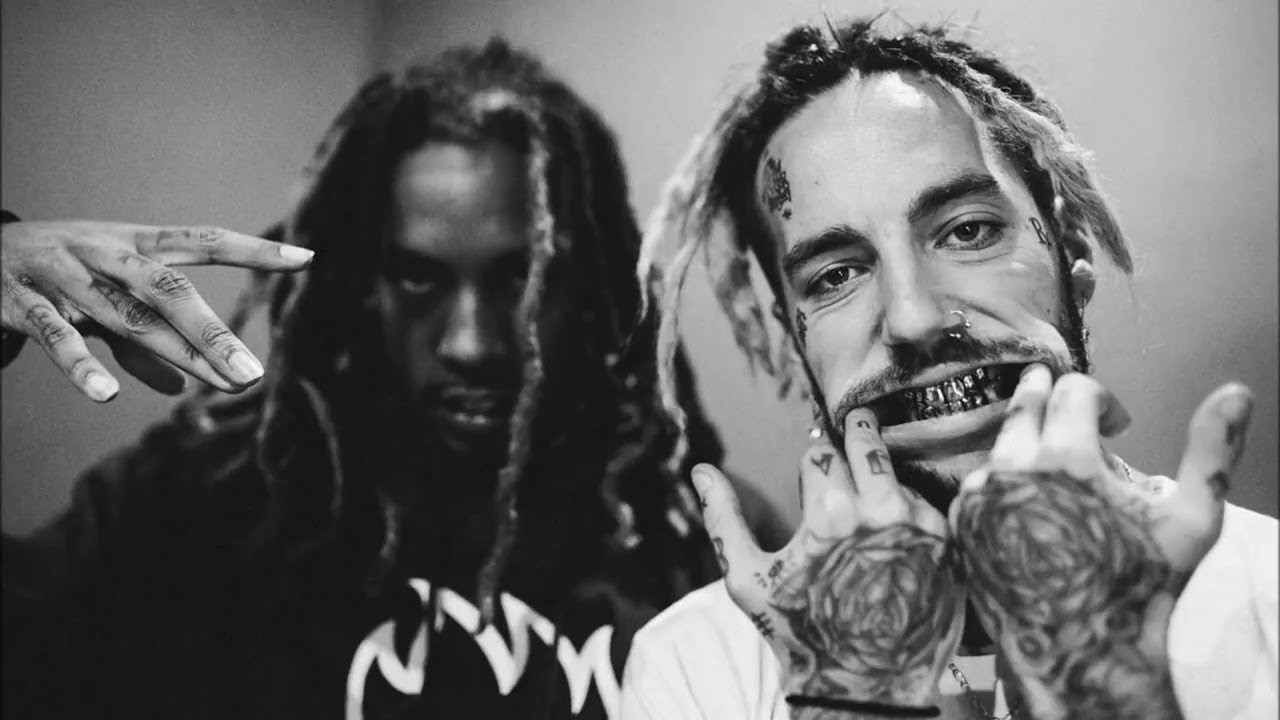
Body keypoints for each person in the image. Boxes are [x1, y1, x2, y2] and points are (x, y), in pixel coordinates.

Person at [1, 39, 723, 719]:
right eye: (417, 276)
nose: (472, 345)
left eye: (523, 277)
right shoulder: (213, 495)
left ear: (594, 285)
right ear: (360, 282)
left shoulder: (696, 532)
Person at [621, 16, 1276, 720]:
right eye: (836, 275)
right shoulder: (697, 668)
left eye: (967, 231)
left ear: (1071, 249)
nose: (913, 319)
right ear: (790, 336)